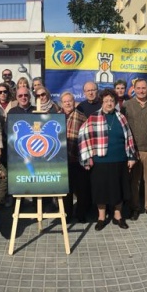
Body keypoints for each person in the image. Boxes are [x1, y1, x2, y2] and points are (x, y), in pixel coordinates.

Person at [78, 89, 137, 231]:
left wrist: (131, 156)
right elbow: (83, 137)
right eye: (106, 101)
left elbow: (129, 137)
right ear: (102, 103)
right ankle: (101, 217)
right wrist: (87, 158)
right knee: (101, 191)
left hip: (120, 160)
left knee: (119, 189)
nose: (109, 103)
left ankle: (118, 216)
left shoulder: (121, 117)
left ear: (115, 102)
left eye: (111, 101)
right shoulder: (93, 118)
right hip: (100, 161)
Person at [122, 79, 147, 220]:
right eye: (138, 88)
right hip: (134, 150)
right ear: (134, 89)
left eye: (144, 88)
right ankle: (135, 207)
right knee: (135, 181)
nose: (141, 90)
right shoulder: (127, 105)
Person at [61, 92, 89, 222]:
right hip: (62, 159)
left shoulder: (82, 117)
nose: (67, 103)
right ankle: (67, 214)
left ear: (74, 102)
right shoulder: (57, 117)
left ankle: (81, 214)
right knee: (66, 190)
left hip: (78, 159)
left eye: (70, 101)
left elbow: (88, 138)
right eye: (65, 101)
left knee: (81, 189)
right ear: (62, 103)